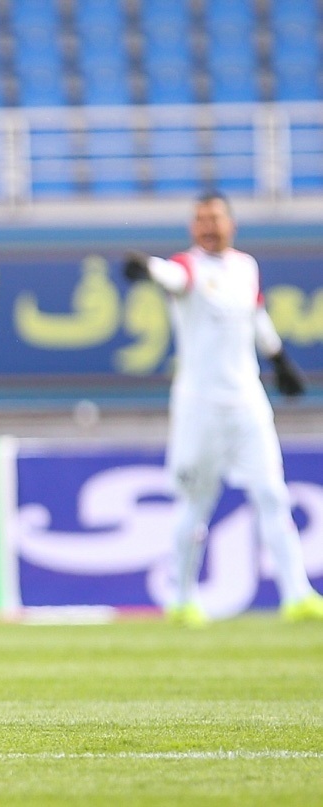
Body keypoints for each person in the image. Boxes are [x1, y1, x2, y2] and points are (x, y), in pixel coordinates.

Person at [123, 191, 322, 626]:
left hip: (247, 402)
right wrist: (148, 268)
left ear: (231, 223)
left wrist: (279, 360)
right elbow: (171, 276)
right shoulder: (188, 267)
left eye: (214, 218)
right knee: (195, 503)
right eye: (200, 219)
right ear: (192, 227)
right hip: (199, 409)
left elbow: (256, 316)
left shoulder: (246, 267)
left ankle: (298, 594)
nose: (207, 226)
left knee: (272, 493)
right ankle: (181, 600)